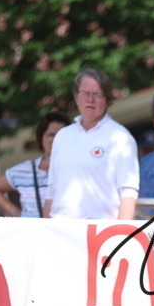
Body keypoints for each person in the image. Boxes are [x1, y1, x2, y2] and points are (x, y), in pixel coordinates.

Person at [44, 68, 139, 220]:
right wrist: (47, 226)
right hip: (60, 226)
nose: (90, 99)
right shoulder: (63, 135)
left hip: (99, 229)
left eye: (97, 94)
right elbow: (51, 190)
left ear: (107, 99)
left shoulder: (120, 137)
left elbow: (128, 193)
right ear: (76, 96)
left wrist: (122, 232)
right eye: (85, 93)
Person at [0, 111, 70, 218]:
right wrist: (19, 216)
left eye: (61, 135)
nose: (56, 139)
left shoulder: (76, 171)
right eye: (51, 135)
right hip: (31, 229)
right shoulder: (25, 170)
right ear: (41, 137)